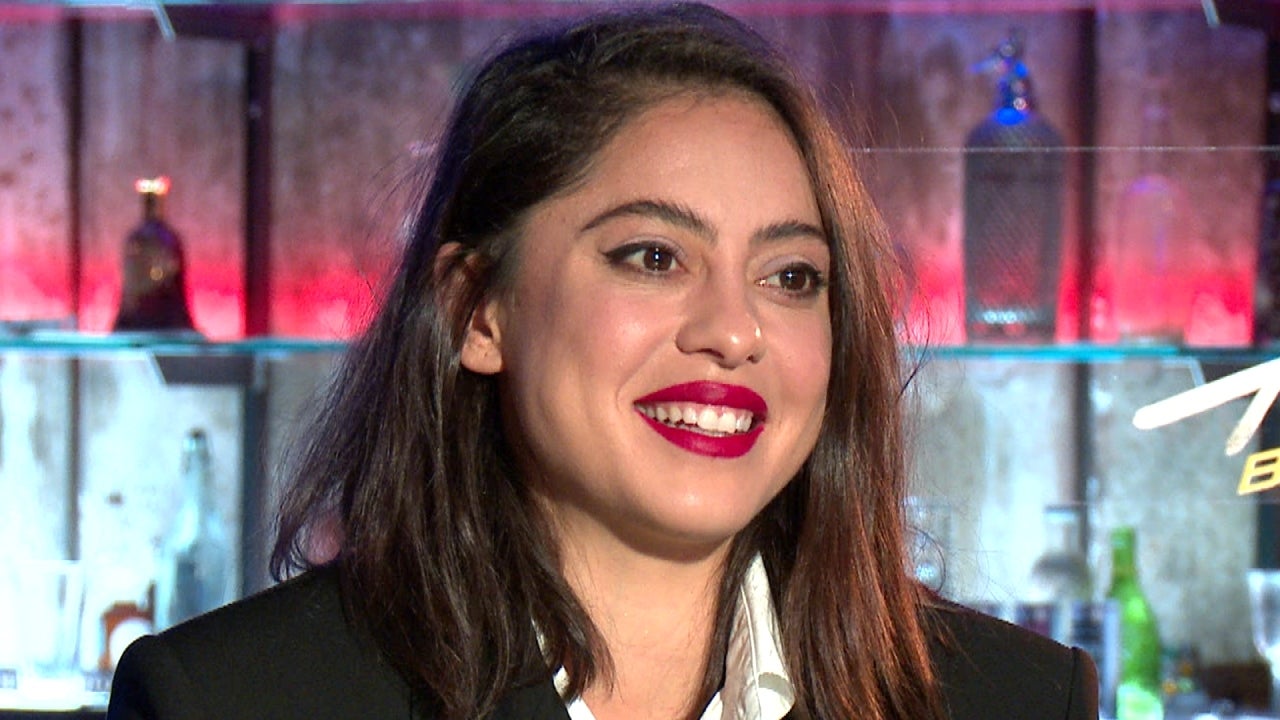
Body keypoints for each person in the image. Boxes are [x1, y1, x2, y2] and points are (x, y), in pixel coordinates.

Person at [107, 3, 1098, 720]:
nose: (735, 330)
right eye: (653, 257)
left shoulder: (1011, 700)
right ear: (476, 309)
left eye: (791, 276)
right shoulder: (235, 698)